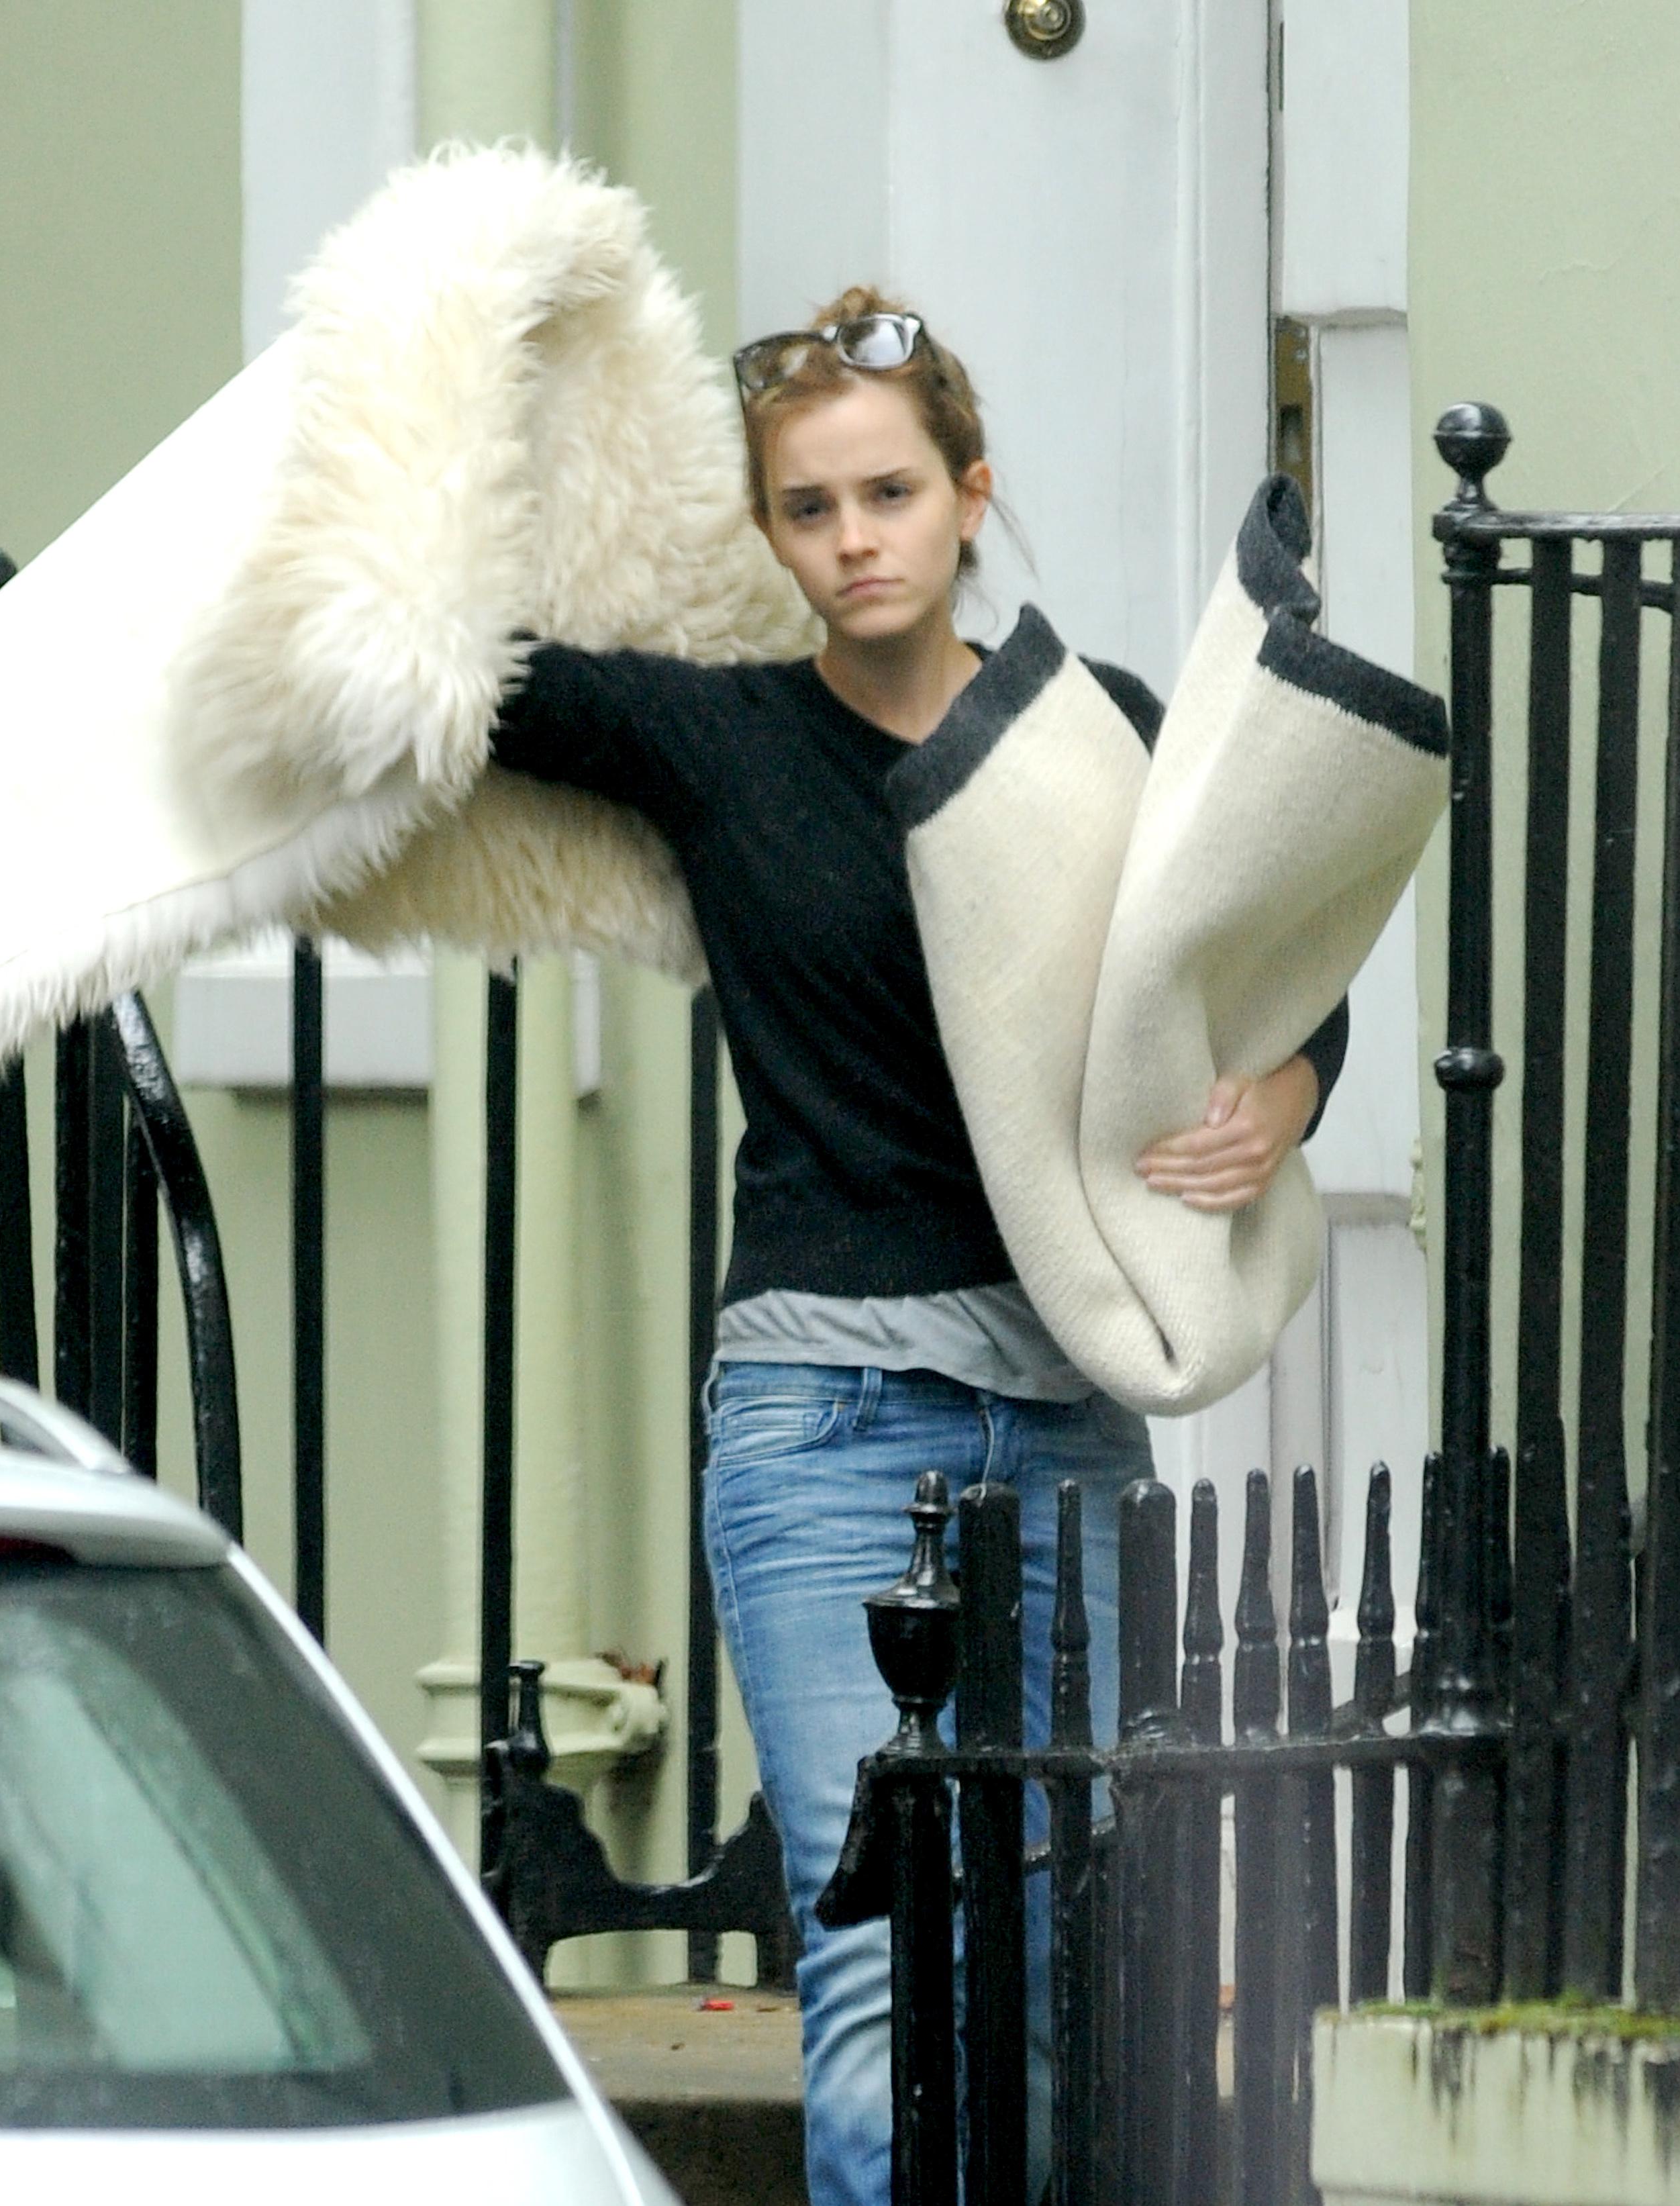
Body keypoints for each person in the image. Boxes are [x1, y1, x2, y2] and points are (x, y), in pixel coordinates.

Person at [492, 288, 1344, 2206]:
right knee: (877, 1960)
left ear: (971, 496)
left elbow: (1275, 962)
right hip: (825, 1425)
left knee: (1043, 1973)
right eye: (807, 508)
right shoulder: (720, 739)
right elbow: (448, 674)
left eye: (889, 493)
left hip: (1068, 1422)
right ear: (770, 535)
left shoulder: (1087, 730)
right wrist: (481, 361)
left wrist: (1282, 1096)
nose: (854, 539)